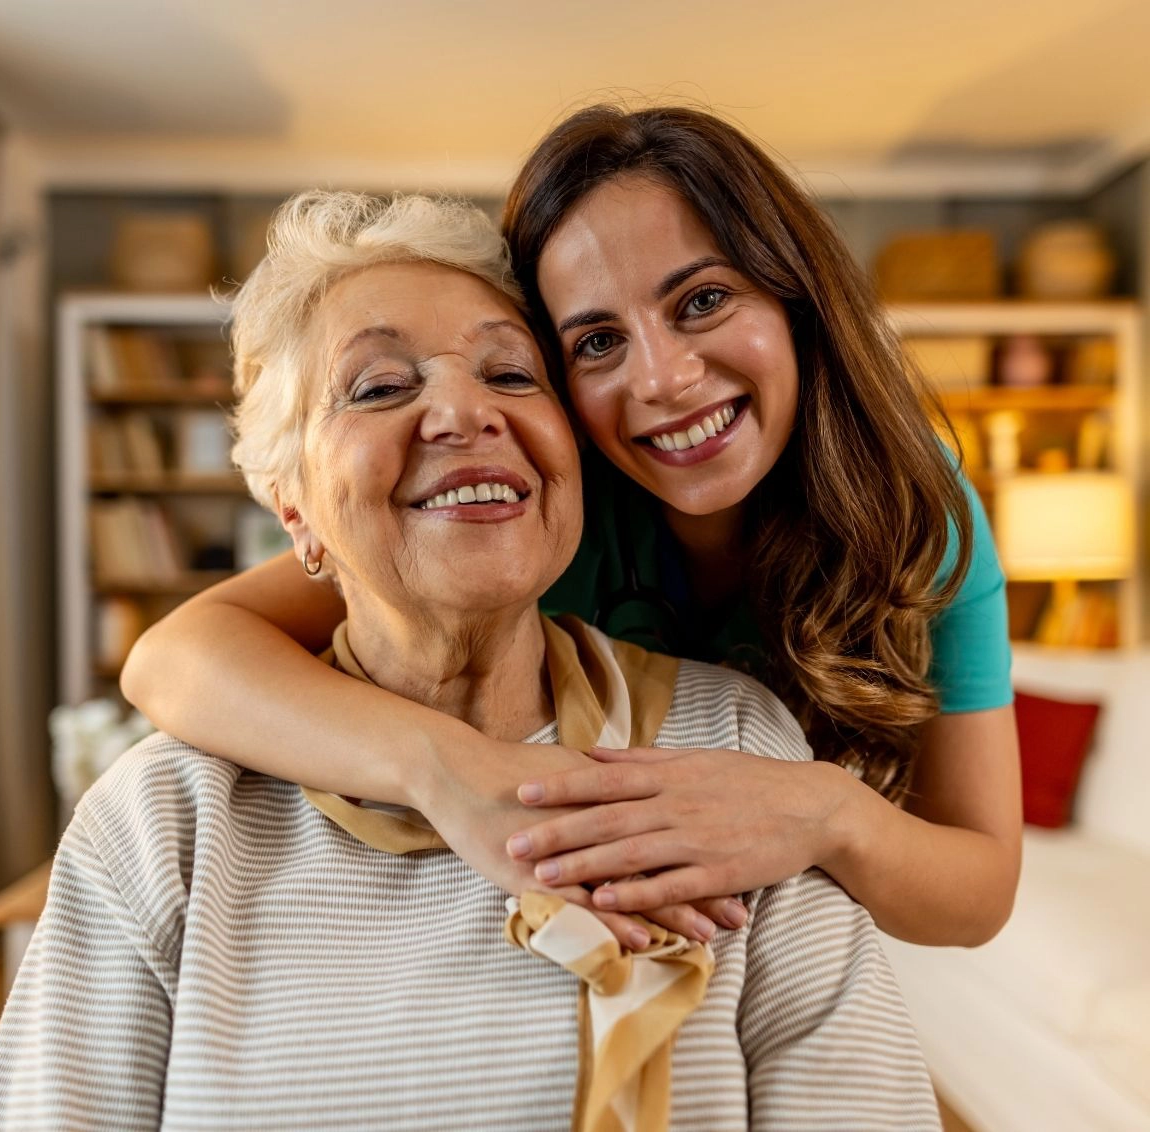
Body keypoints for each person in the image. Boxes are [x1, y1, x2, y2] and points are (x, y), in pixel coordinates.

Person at [0, 191, 940, 1131]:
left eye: (512, 375)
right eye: (378, 387)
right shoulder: (163, 822)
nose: (463, 411)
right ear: (294, 511)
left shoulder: (731, 738)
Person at [121, 105, 1021, 951]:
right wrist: (447, 770)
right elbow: (173, 659)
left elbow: (979, 888)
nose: (662, 379)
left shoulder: (915, 519)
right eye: (596, 342)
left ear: (798, 299)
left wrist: (832, 816)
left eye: (702, 300)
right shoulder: (532, 514)